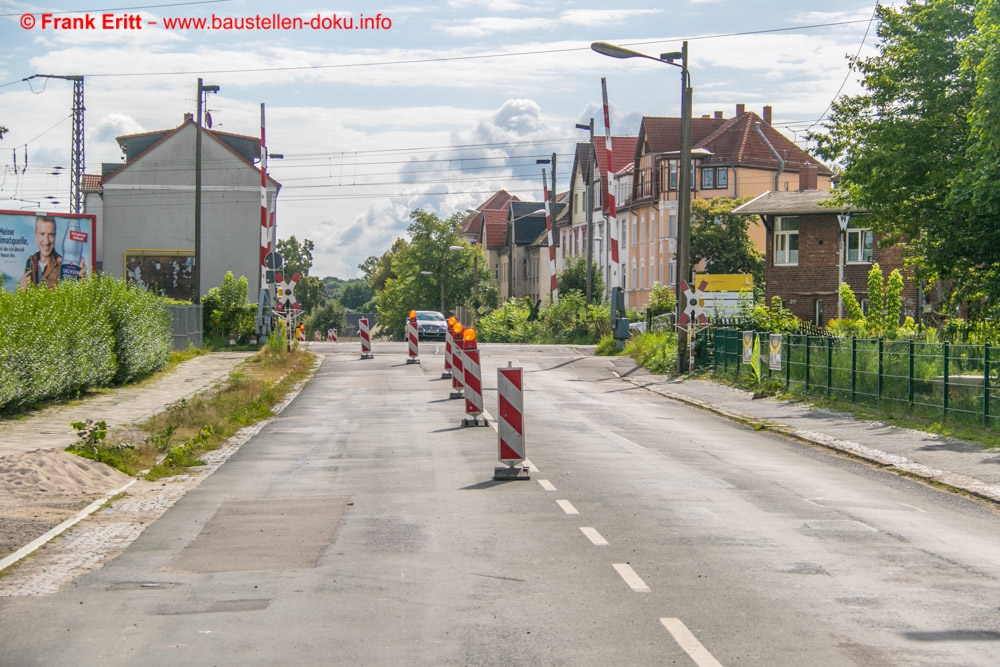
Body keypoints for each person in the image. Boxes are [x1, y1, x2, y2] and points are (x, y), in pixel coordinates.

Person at [19, 217, 62, 288]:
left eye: (51, 235)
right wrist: (22, 290)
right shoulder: (30, 262)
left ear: (55, 236)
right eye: (42, 234)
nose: (46, 241)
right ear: (36, 236)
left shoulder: (61, 264)